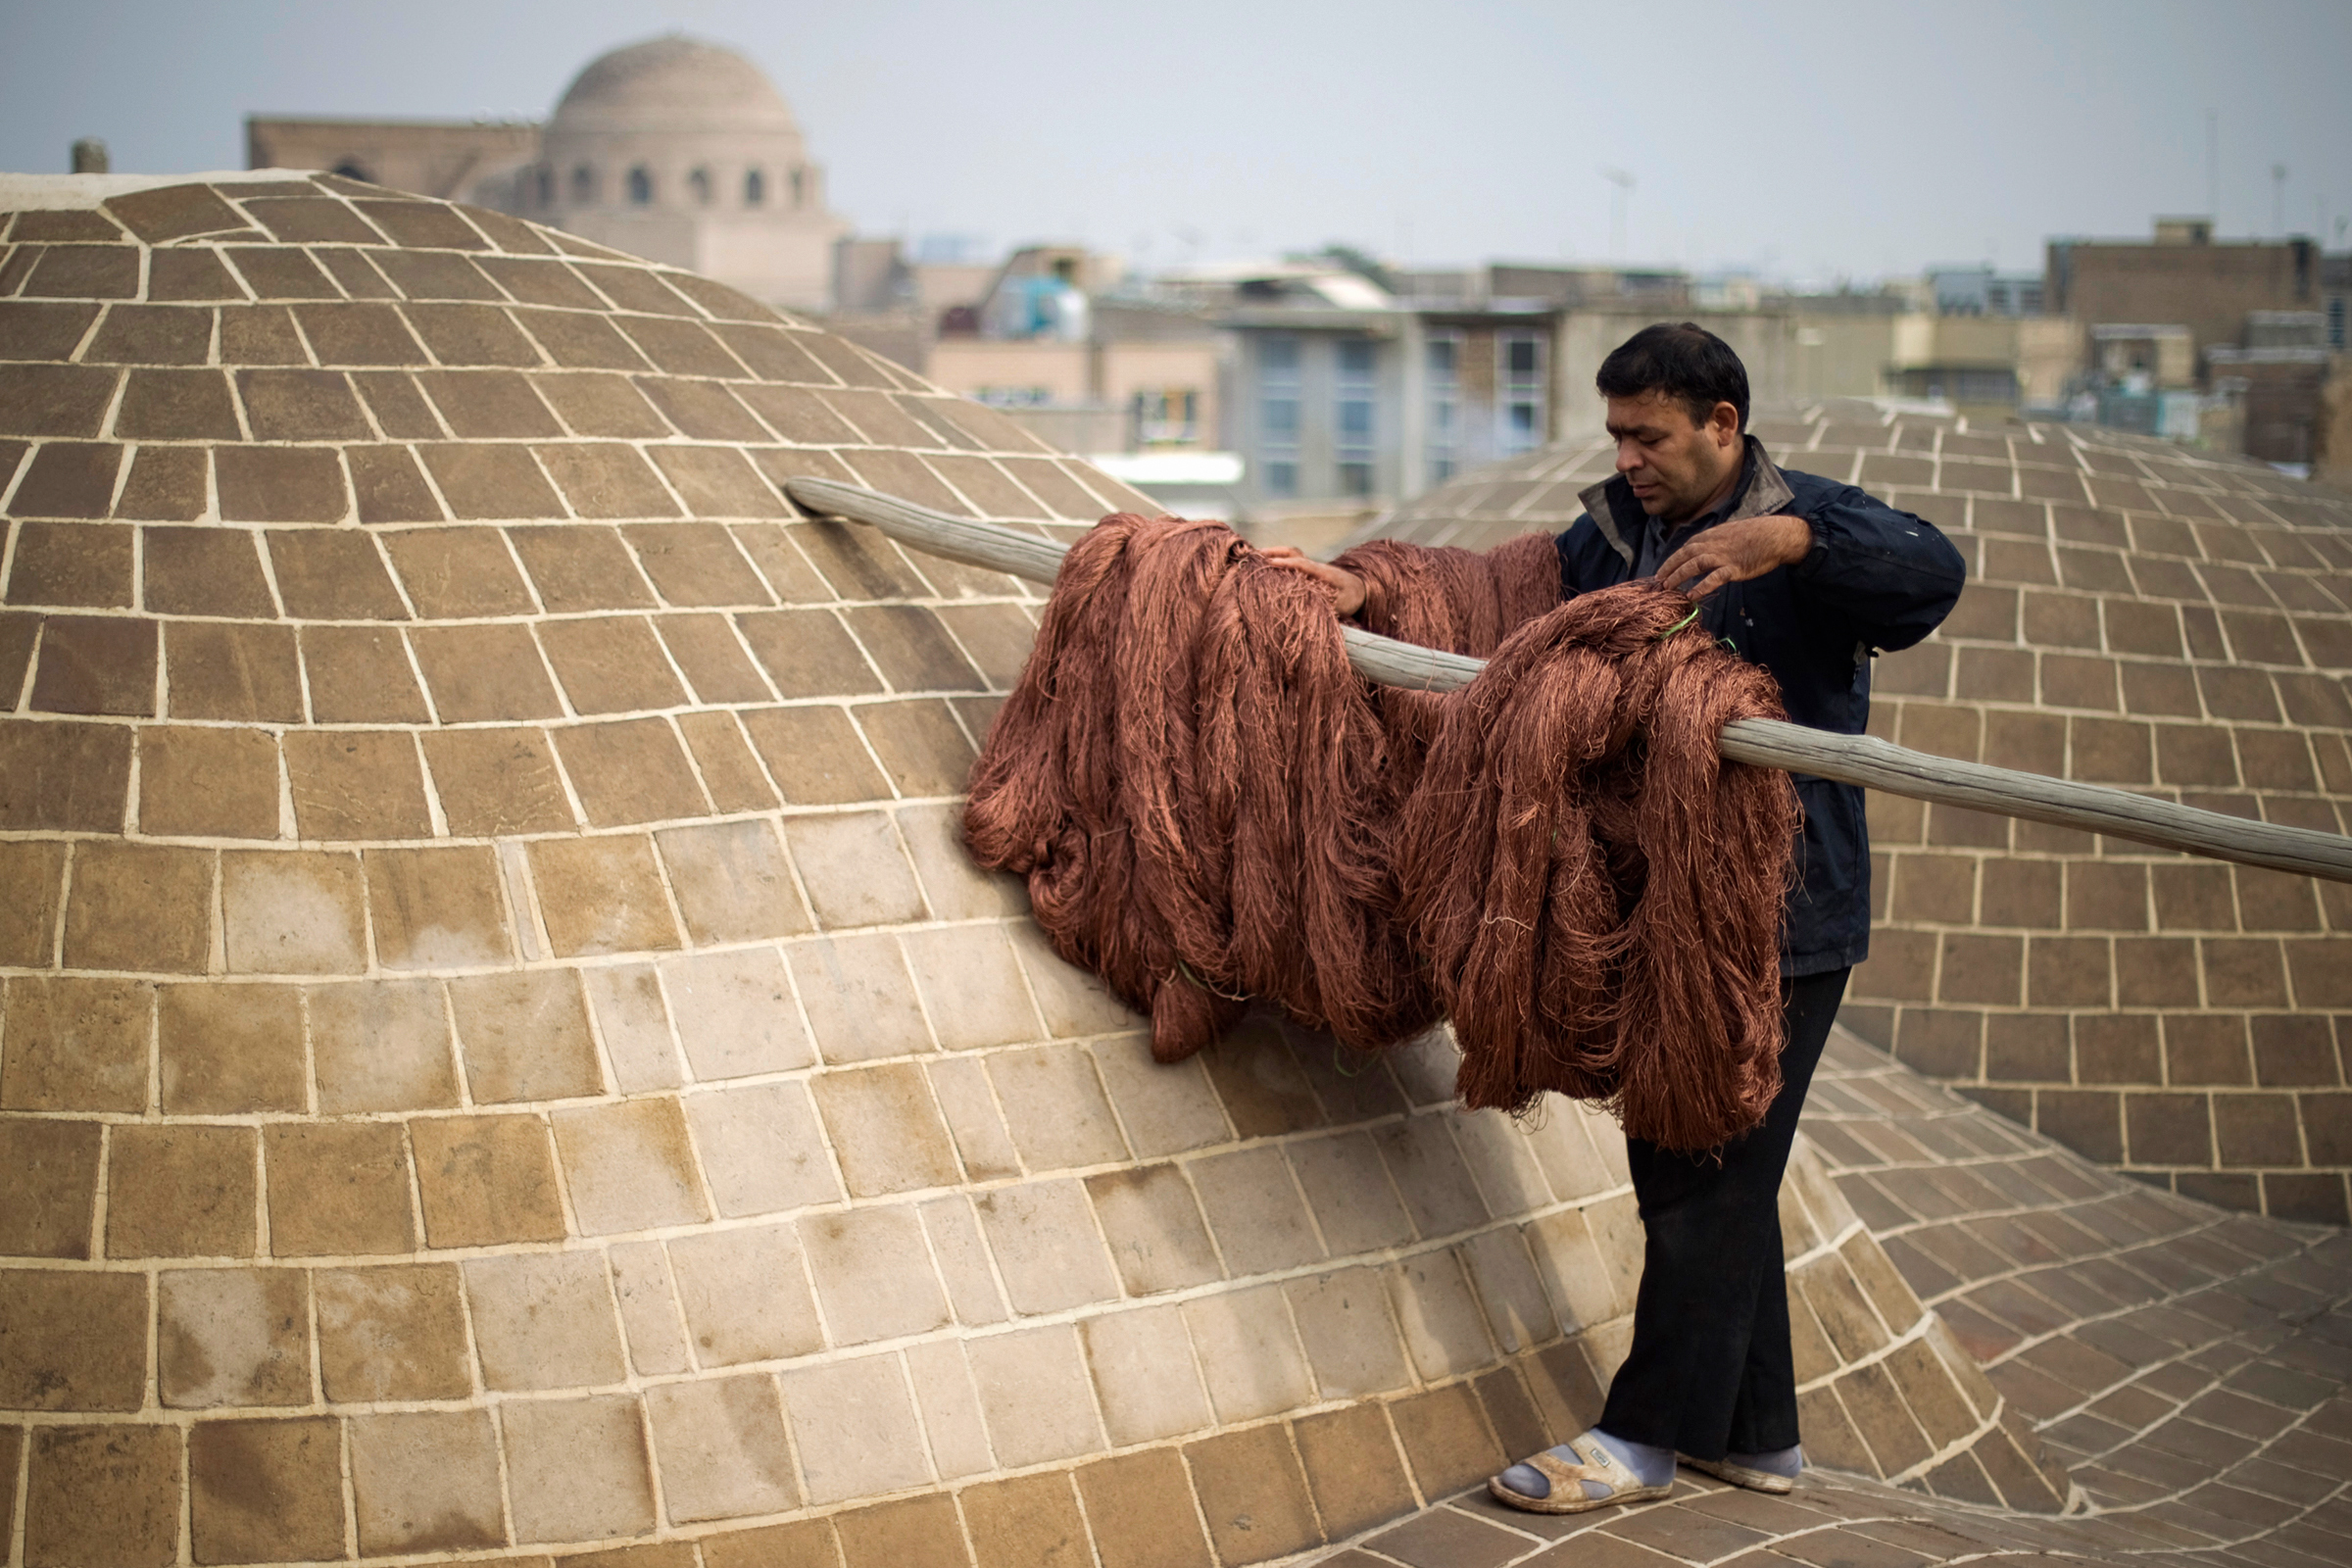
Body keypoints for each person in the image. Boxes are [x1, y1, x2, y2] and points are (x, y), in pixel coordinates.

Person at [1265, 322, 1965, 1514]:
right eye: (1616, 436)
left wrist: (1789, 539)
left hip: (1784, 918)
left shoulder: (1810, 525)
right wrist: (1370, 585)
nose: (1629, 456)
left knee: (1708, 1173)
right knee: (1700, 1167)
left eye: (1650, 436)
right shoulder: (1622, 533)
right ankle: (1759, 1438)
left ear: (1721, 426)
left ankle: (1641, 1435)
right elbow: (1509, 585)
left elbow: (1930, 571)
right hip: (1670, 910)